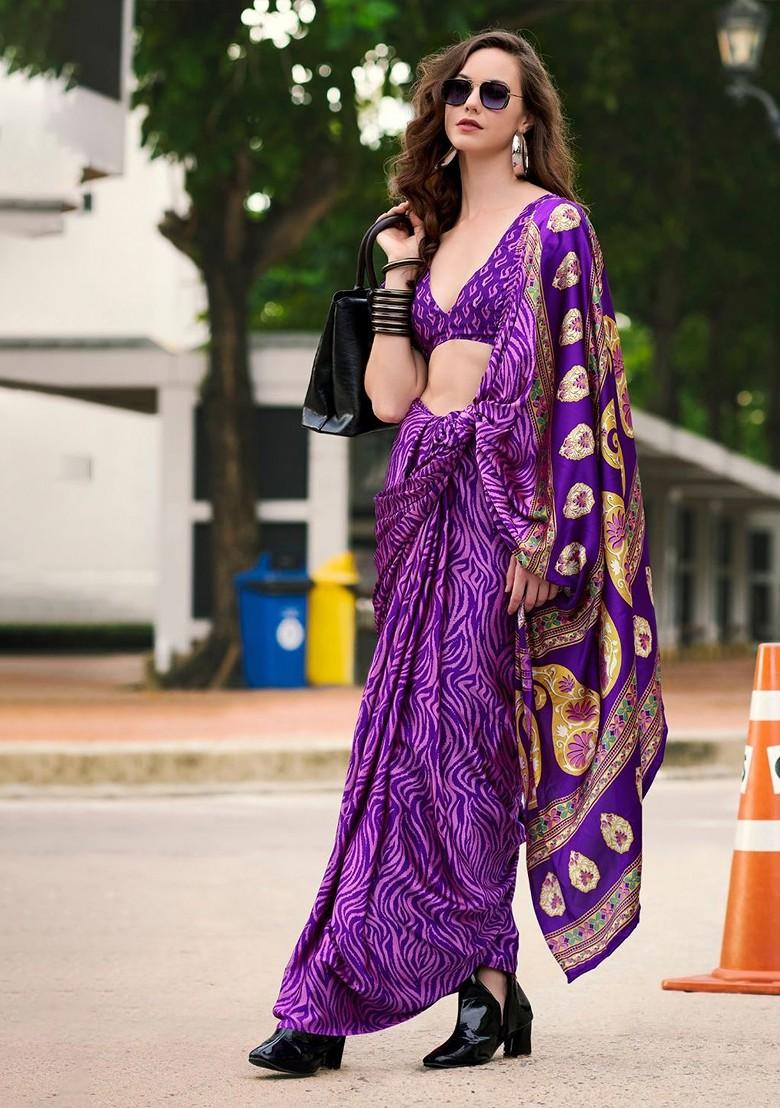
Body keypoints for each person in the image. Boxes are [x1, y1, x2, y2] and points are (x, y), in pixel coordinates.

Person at [248, 27, 668, 1077]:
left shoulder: (556, 228)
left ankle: (481, 986)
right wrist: (396, 267)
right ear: (439, 110)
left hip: (507, 515)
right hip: (426, 506)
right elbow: (391, 397)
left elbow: (579, 395)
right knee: (395, 753)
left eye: (497, 91)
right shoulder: (422, 239)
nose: (473, 104)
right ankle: (338, 993)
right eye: (458, 91)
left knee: (468, 746)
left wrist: (543, 531)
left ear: (528, 118)